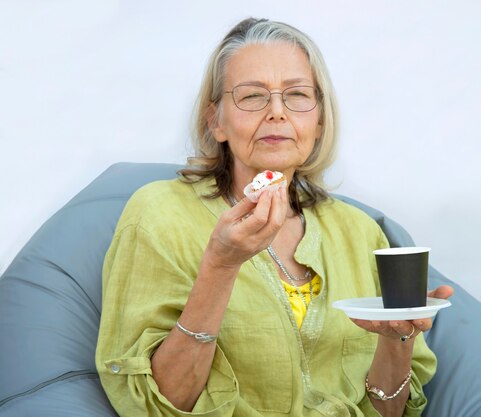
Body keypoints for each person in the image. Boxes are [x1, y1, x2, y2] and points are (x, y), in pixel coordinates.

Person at [95, 17, 453, 417]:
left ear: (318, 121)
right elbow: (157, 406)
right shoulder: (158, 214)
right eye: (252, 97)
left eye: (297, 95)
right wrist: (220, 265)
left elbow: (387, 412)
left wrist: (397, 339)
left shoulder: (359, 232)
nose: (277, 112)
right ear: (216, 121)